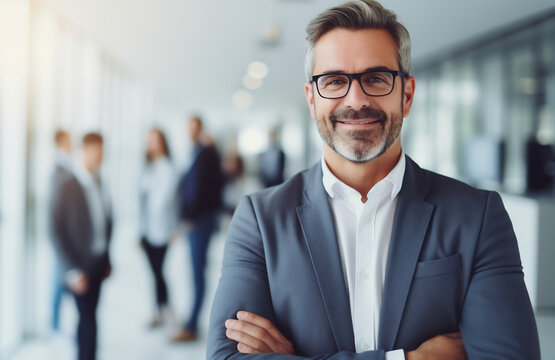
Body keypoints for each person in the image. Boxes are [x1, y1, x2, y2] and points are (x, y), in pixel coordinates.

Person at [207, 1, 540, 359]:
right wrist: (410, 358)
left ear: (407, 95)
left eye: (376, 79)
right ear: (311, 99)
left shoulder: (477, 216)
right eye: (334, 80)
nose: (356, 99)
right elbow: (227, 356)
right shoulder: (260, 219)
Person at [53, 133, 112, 360]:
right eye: (97, 151)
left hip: (97, 263)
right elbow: (56, 231)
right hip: (79, 266)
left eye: (102, 152)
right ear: (85, 151)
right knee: (87, 320)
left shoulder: (99, 182)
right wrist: (72, 270)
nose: (100, 157)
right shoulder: (67, 186)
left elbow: (105, 222)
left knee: (90, 318)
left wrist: (106, 260)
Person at [174, 116, 225, 342]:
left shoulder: (208, 152)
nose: (191, 132)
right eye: (189, 128)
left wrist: (191, 216)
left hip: (201, 221)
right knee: (194, 271)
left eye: (194, 128)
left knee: (197, 271)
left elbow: (207, 187)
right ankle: (191, 320)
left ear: (201, 129)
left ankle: (192, 324)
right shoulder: (194, 152)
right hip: (196, 220)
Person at [139, 128, 177, 328]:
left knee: (158, 271)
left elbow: (167, 201)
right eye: (149, 140)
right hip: (147, 229)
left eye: (155, 140)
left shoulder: (168, 168)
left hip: (163, 229)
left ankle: (165, 309)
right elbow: (142, 200)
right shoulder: (147, 167)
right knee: (154, 272)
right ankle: (159, 309)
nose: (151, 144)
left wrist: (174, 228)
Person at [49, 130, 73, 334]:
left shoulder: (66, 164)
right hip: (62, 234)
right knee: (59, 278)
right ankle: (55, 325)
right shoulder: (59, 167)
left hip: (67, 234)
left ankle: (57, 324)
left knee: (62, 278)